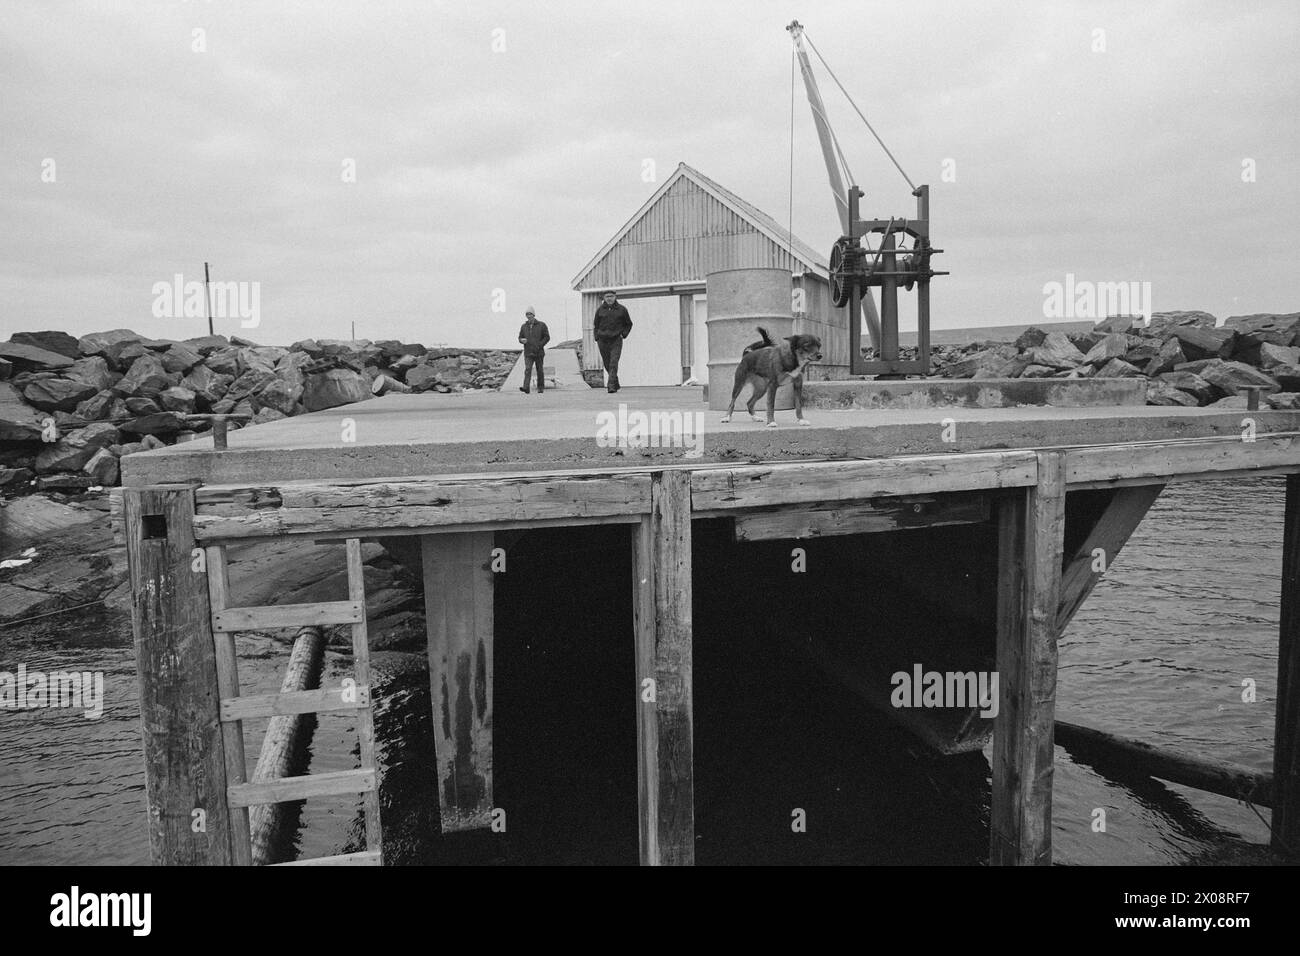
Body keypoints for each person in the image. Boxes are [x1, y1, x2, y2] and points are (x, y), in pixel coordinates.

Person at [592, 290, 632, 393]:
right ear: (604, 298)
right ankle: (615, 382)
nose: (609, 298)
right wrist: (597, 337)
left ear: (615, 297)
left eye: (611, 296)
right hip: (603, 340)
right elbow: (596, 325)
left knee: (613, 362)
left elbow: (628, 324)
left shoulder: (622, 310)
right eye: (607, 296)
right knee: (607, 362)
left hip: (616, 340)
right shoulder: (600, 310)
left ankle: (611, 386)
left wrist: (623, 334)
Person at [517, 307, 550, 394]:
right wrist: (521, 340)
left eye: (530, 314)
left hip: (538, 352)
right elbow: (520, 337)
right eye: (527, 314)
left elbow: (547, 337)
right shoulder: (524, 326)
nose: (528, 316)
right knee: (528, 369)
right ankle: (526, 387)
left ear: (534, 315)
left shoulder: (542, 325)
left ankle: (540, 387)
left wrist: (540, 345)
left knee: (540, 370)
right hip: (528, 352)